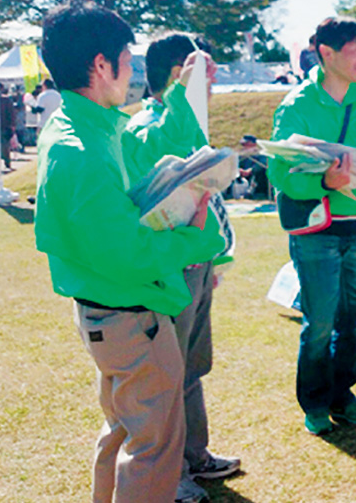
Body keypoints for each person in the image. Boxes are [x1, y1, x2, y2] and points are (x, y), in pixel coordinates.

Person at [34, 0, 224, 503]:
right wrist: (196, 237)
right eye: (126, 59)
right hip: (130, 317)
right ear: (101, 65)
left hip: (113, 315)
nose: (133, 72)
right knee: (154, 448)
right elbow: (128, 254)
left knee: (124, 434)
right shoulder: (82, 149)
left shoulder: (89, 127)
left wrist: (185, 89)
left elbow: (151, 152)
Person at [121, 32, 240, 503]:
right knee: (168, 375)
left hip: (197, 262)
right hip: (172, 269)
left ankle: (195, 456)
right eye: (205, 74)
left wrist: (215, 258)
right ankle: (172, 476)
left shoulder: (184, 120)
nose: (212, 83)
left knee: (190, 368)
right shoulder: (148, 127)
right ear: (179, 75)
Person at [270, 16, 356, 436]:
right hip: (316, 231)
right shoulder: (297, 105)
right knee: (320, 323)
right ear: (326, 53)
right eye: (355, 50)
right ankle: (315, 403)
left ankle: (344, 396)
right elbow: (280, 173)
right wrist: (326, 180)